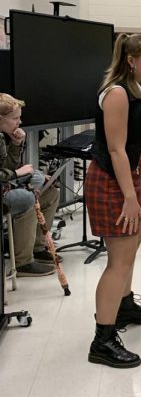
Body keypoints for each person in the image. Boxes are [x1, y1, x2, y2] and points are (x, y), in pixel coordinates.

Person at [85, 34, 141, 369]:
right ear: (131, 60)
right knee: (118, 261)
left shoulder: (136, 89)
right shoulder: (116, 93)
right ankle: (102, 339)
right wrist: (130, 196)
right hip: (115, 182)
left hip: (129, 178)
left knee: (130, 251)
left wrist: (137, 184)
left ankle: (124, 305)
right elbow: (115, 149)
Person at [0, 93, 59, 276]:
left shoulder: (2, 137)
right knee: (27, 198)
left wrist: (16, 143)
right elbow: (9, 172)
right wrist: (18, 173)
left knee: (51, 193)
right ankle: (23, 262)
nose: (19, 122)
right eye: (15, 118)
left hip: (4, 185)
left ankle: (37, 247)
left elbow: (6, 168)